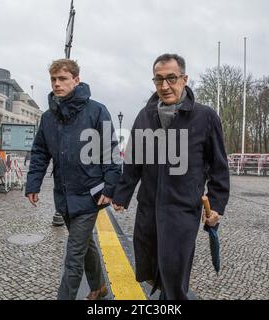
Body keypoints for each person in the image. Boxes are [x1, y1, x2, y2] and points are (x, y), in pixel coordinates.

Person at [112, 54, 230, 300]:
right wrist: (122, 194)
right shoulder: (145, 116)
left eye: (171, 78)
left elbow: (219, 166)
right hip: (149, 209)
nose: (165, 86)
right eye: (158, 80)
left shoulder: (205, 117)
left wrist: (216, 204)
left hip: (182, 212)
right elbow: (134, 161)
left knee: (175, 277)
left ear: (184, 79)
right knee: (155, 270)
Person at [25, 59, 121, 300]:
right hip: (64, 195)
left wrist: (110, 188)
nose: (57, 84)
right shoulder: (48, 117)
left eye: (63, 79)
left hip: (91, 195)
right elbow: (39, 152)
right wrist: (33, 184)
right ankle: (99, 287)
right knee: (85, 244)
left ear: (76, 80)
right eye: (53, 80)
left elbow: (111, 151)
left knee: (73, 255)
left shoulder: (97, 111)